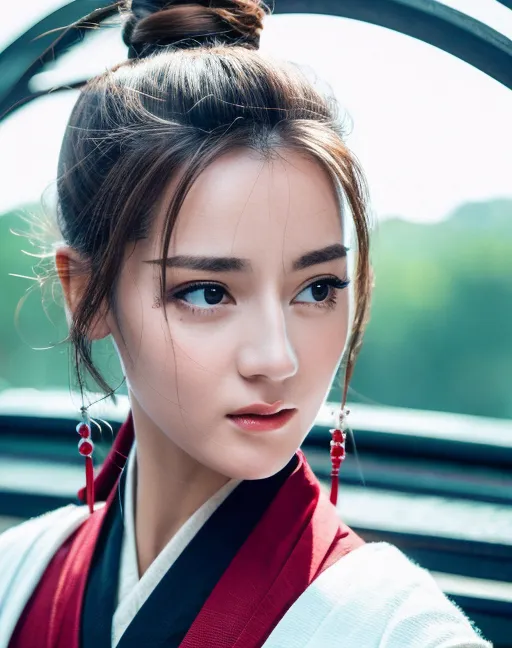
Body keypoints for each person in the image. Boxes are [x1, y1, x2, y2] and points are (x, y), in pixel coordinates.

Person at [0, 1, 492, 646]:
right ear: (87, 295)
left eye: (317, 288)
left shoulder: (393, 630)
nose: (276, 357)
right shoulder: (16, 579)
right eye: (207, 292)